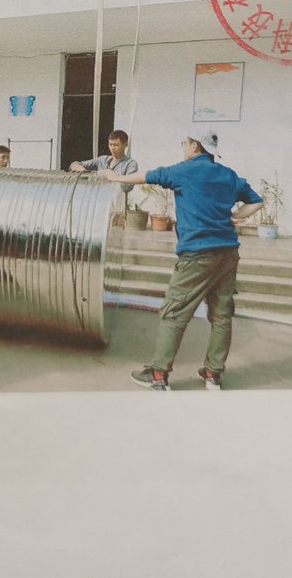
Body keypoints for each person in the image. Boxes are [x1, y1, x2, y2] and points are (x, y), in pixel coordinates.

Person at [101, 132, 263, 392]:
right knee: (222, 316)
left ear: (195, 146)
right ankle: (213, 374)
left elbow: (147, 176)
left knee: (174, 313)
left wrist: (116, 177)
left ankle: (158, 376)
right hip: (228, 254)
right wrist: (233, 216)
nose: (183, 148)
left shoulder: (184, 171)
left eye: (185, 144)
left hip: (197, 255)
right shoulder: (227, 174)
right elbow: (257, 201)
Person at [70, 129, 139, 194]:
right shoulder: (102, 160)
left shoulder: (131, 164)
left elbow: (127, 187)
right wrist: (86, 172)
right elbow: (74, 164)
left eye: (116, 145)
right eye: (110, 144)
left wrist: (111, 177)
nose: (112, 148)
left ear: (125, 145)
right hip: (97, 199)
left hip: (116, 201)